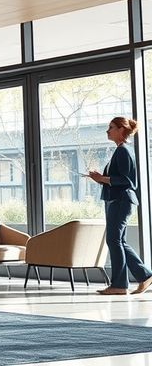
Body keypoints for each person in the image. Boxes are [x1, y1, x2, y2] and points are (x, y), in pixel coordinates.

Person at [87, 117, 152, 296]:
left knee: (114, 240)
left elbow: (127, 181)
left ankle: (119, 284)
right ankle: (144, 275)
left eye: (111, 127)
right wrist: (100, 178)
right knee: (119, 241)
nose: (107, 131)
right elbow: (118, 179)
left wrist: (101, 178)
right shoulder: (121, 150)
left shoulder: (123, 151)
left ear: (121, 130)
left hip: (121, 201)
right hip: (117, 200)